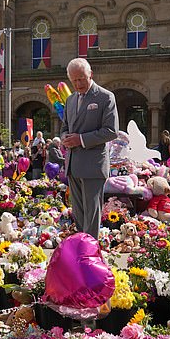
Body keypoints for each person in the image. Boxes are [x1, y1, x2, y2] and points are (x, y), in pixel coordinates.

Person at [61, 57, 119, 239]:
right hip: (73, 164)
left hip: (93, 165)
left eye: (81, 79)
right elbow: (64, 128)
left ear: (90, 75)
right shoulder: (70, 100)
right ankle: (81, 250)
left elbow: (111, 131)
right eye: (74, 80)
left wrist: (81, 140)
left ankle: (91, 252)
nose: (78, 84)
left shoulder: (105, 97)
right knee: (78, 213)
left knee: (92, 215)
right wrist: (65, 138)